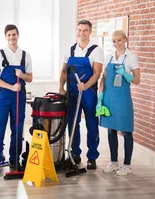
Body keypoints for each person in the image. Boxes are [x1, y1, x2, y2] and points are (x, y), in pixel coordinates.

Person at [59, 20, 104, 170]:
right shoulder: (70, 50)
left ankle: (92, 157)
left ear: (90, 32)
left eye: (85, 30)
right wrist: (61, 87)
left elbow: (97, 73)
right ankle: (75, 154)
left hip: (88, 92)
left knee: (91, 124)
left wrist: (85, 85)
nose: (82, 33)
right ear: (76, 31)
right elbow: (64, 71)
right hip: (72, 92)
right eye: (79, 30)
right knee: (72, 124)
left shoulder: (96, 50)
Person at [0, 24, 33, 174]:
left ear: (18, 35)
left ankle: (14, 161)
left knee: (18, 129)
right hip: (3, 95)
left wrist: (22, 76)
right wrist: (11, 87)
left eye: (14, 34)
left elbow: (30, 78)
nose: (12, 37)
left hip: (19, 96)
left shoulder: (25, 55)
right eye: (9, 35)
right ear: (5, 37)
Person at [99, 30, 140, 176]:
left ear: (125, 40)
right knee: (111, 130)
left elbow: (137, 80)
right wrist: (100, 96)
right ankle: (114, 162)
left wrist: (125, 74)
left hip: (122, 99)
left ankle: (127, 165)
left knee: (126, 131)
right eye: (114, 41)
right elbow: (104, 77)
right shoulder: (109, 56)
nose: (116, 43)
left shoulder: (131, 58)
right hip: (109, 97)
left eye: (119, 40)